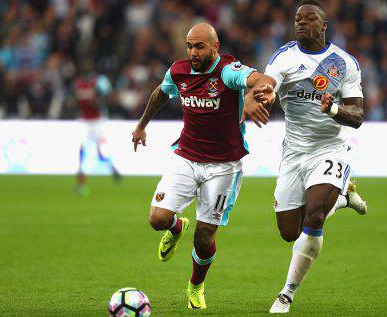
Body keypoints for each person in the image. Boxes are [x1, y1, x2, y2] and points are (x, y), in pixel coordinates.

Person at [131, 23, 272, 310]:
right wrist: (141, 125)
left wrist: (258, 93)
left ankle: (195, 286)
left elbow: (259, 78)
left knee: (205, 236)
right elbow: (161, 92)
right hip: (185, 156)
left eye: (200, 46)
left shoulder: (228, 71)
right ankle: (176, 227)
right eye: (189, 46)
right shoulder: (179, 71)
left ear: (215, 47)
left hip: (223, 166)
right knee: (157, 219)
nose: (193, 52)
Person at [244, 0, 367, 313]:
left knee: (314, 217)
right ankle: (342, 197)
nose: (301, 23)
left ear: (323, 26)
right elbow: (269, 83)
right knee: (290, 232)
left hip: (330, 148)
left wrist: (334, 109)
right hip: (294, 152)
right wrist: (266, 94)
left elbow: (357, 115)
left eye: (309, 18)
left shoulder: (344, 62)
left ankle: (286, 294)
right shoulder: (284, 57)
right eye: (297, 19)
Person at [74, 60, 121, 196]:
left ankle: (112, 168)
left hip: (97, 120)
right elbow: (76, 101)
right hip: (84, 121)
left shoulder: (98, 82)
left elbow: (109, 98)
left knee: (101, 152)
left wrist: (98, 102)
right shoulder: (78, 84)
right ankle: (81, 181)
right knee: (82, 150)